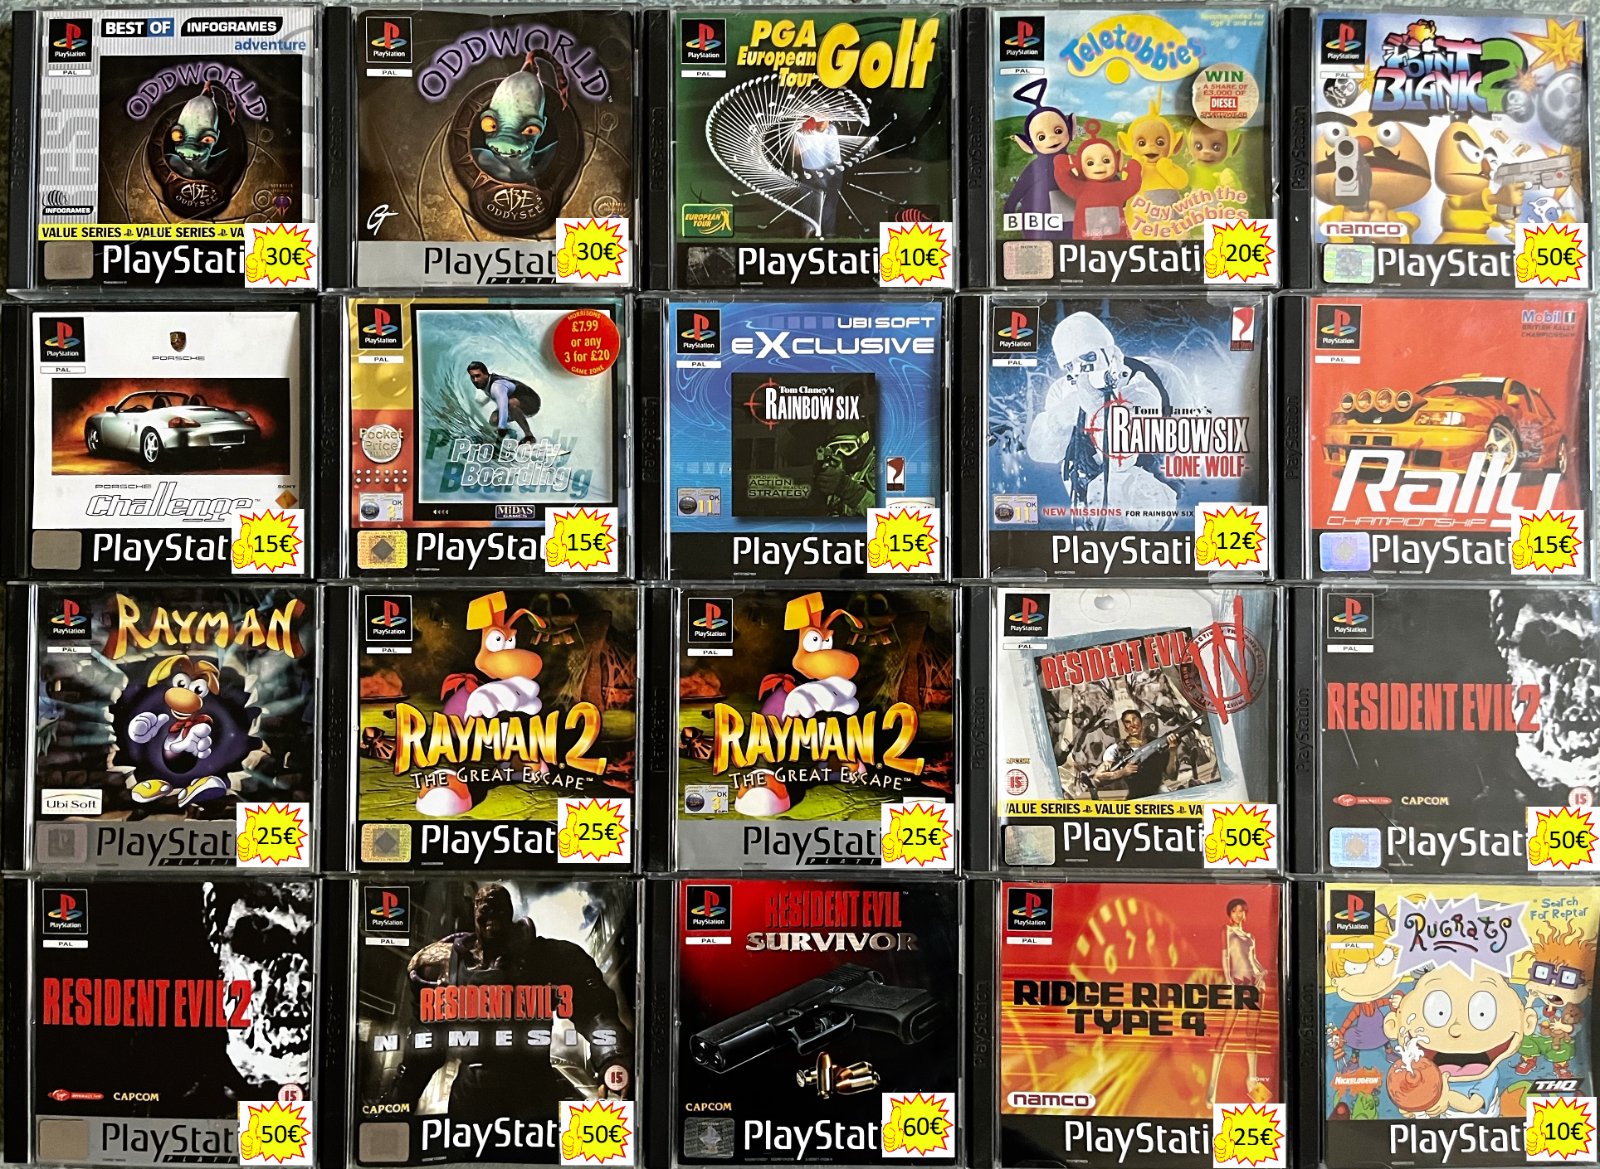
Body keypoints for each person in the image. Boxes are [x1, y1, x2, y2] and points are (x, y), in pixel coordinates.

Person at [383, 884, 631, 1119]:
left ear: (510, 911)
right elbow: (425, 1046)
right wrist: (397, 1103)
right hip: (472, 1099)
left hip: (532, 1095)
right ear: (475, 912)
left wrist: (611, 1058)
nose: (492, 917)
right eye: (485, 909)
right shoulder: (444, 965)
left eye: (498, 909)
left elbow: (596, 1013)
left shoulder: (550, 957)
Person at [1208, 898, 1271, 1108]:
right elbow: (1225, 956)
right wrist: (1228, 980)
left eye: (1241, 911)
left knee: (1252, 1035)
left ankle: (1252, 1081)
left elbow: (1253, 961)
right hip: (1236, 985)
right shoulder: (1226, 931)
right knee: (1224, 1035)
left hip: (1255, 986)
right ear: (1230, 913)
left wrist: (1263, 972)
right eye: (1235, 911)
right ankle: (1211, 1089)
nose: (1238, 914)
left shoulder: (1250, 937)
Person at [1092, 709, 1179, 798]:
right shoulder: (1116, 749)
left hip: (1158, 794)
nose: (1132, 725)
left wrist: (1173, 752)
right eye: (1128, 722)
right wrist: (1122, 772)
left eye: (1134, 719)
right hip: (1135, 797)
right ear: (1125, 728)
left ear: (1142, 723)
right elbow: (1097, 777)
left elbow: (1172, 776)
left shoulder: (1157, 744)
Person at [468, 361, 541, 445]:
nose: (475, 380)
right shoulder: (487, 382)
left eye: (478, 376)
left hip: (532, 402)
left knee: (510, 404)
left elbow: (503, 407)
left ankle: (529, 436)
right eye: (472, 377)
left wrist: (501, 430)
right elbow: (494, 394)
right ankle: (509, 432)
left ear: (486, 374)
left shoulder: (497, 387)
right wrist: (483, 403)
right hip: (516, 401)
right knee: (494, 420)